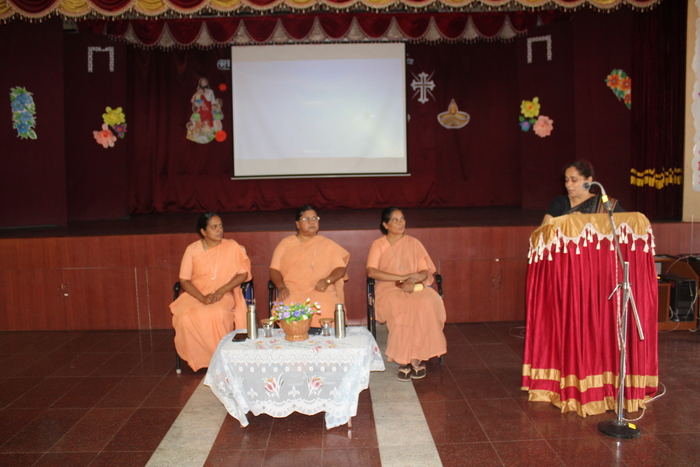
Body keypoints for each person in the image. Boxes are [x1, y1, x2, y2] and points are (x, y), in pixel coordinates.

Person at [366, 207, 447, 382]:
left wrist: (412, 279)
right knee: (402, 307)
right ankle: (405, 359)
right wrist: (402, 278)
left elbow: (424, 271)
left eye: (402, 219)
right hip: (388, 288)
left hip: (415, 286)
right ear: (385, 225)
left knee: (427, 303)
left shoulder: (414, 243)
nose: (400, 223)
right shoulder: (378, 245)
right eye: (395, 220)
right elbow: (371, 272)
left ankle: (416, 356)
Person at [170, 212, 252, 371]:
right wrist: (202, 298)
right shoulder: (192, 249)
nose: (219, 230)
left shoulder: (232, 247)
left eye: (221, 226)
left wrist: (222, 290)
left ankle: (221, 359)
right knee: (185, 318)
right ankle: (201, 359)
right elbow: (184, 280)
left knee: (216, 314)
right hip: (196, 295)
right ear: (203, 231)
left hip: (224, 294)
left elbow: (243, 274)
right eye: (214, 227)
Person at [269, 205, 350, 327]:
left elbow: (340, 268)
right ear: (297, 224)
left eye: (315, 218)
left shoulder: (327, 244)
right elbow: (274, 270)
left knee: (327, 307)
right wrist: (281, 288)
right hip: (292, 289)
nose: (312, 222)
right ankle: (294, 336)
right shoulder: (286, 244)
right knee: (287, 308)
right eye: (306, 219)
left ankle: (326, 338)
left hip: (321, 288)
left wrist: (327, 281)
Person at [541, 160, 624, 225]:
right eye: (566, 180)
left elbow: (626, 223)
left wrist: (586, 221)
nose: (568, 185)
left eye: (574, 180)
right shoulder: (560, 202)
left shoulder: (603, 204)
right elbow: (544, 230)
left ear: (588, 180)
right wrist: (567, 221)